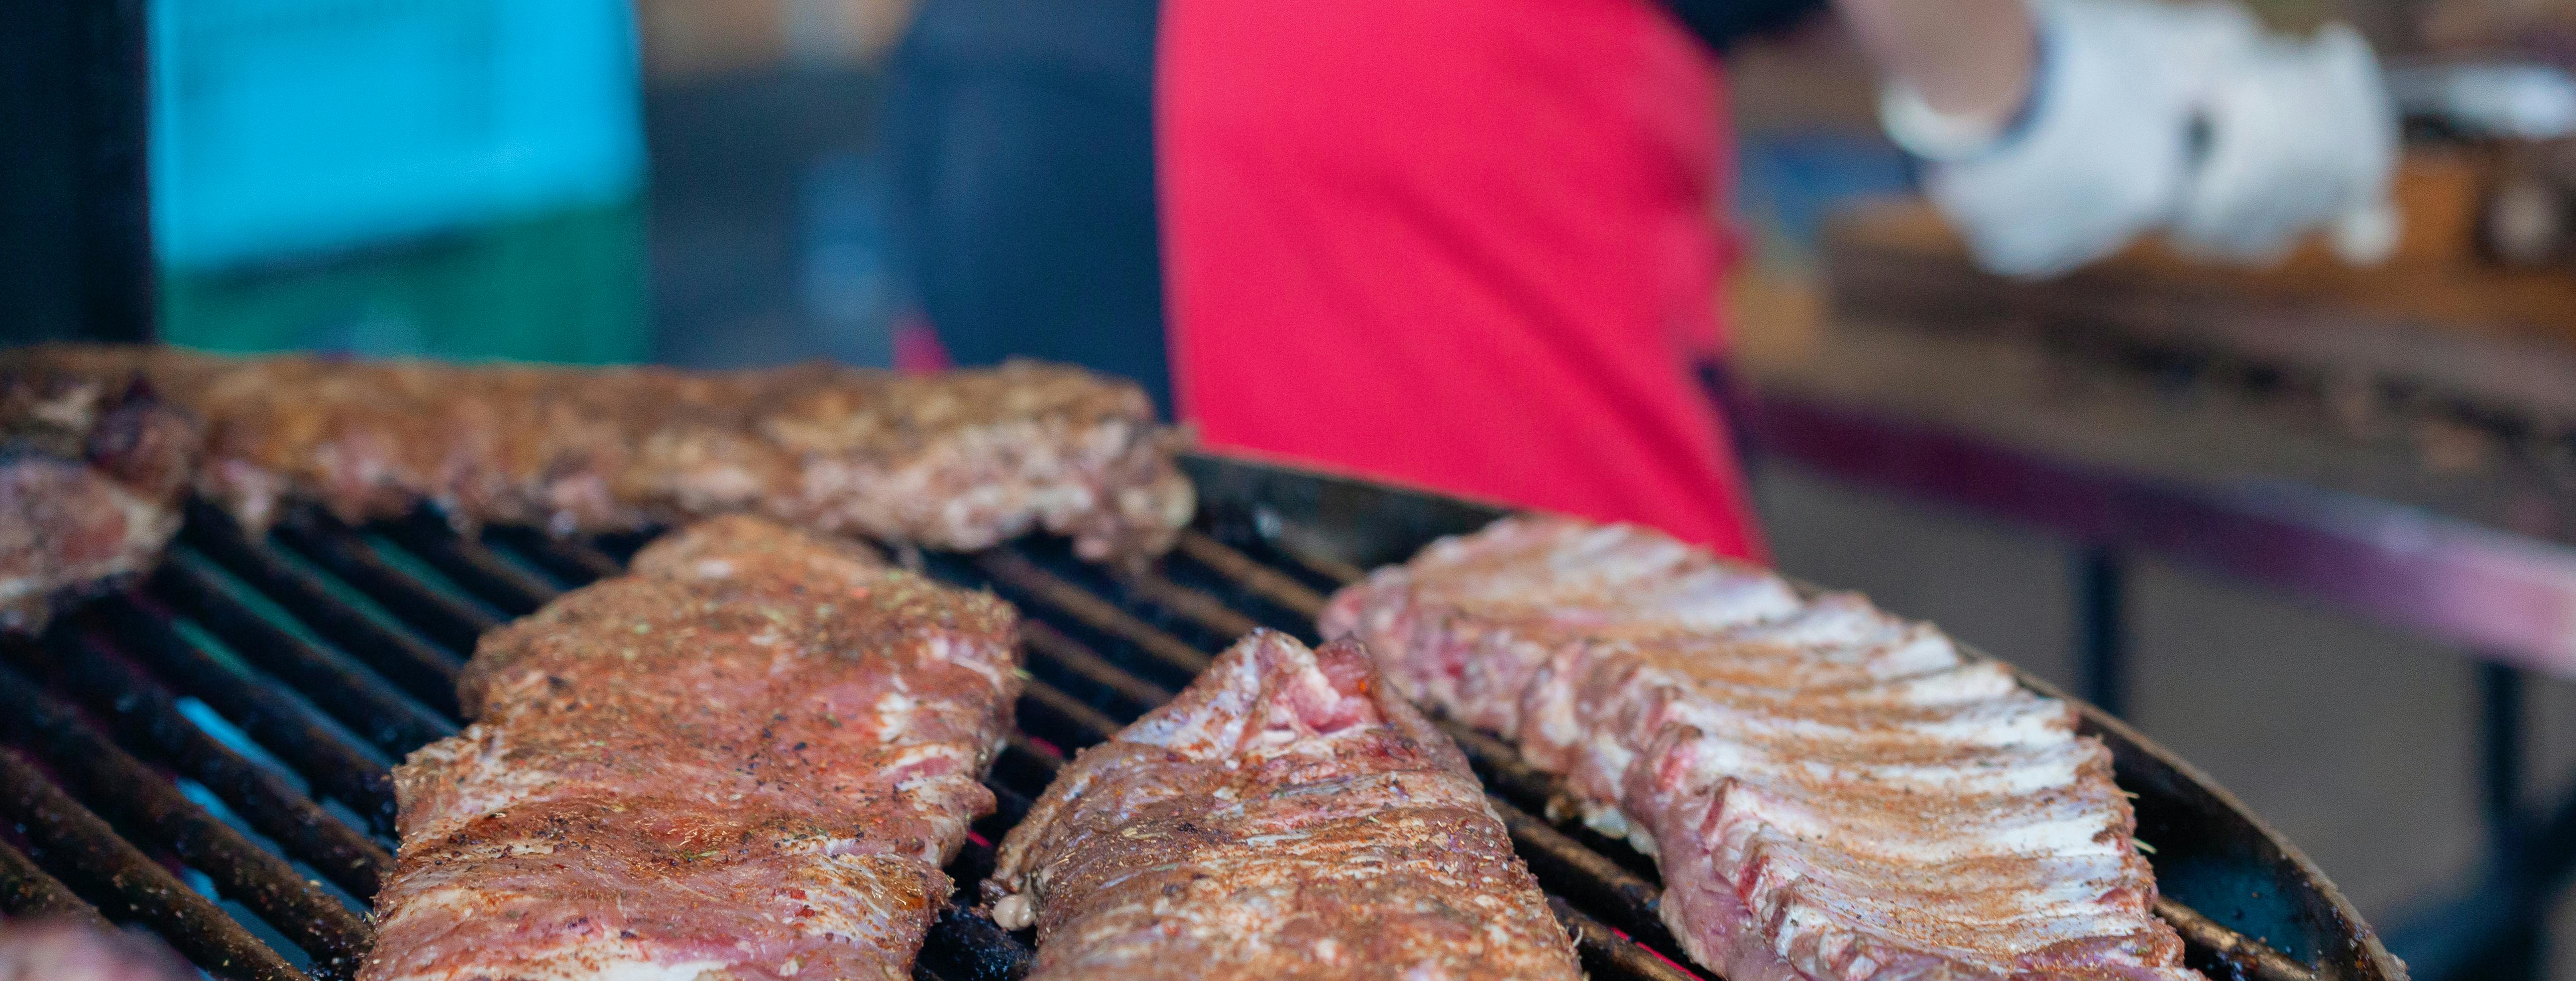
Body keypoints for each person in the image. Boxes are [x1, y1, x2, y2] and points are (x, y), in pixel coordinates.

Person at [887, 0, 2394, 559]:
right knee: (1549, 826)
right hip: (1368, 113)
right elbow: (2020, 129)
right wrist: (2043, 96)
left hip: (998, 85)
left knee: (1061, 716)